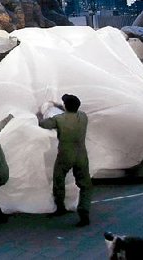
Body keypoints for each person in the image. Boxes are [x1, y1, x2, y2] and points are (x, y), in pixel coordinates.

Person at [37, 93, 92, 227]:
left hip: (65, 155)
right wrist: (61, 106)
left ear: (65, 106)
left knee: (58, 179)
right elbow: (70, 112)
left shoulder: (58, 119)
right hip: (81, 155)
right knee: (85, 184)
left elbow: (43, 124)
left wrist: (38, 115)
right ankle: (84, 212)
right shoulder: (83, 116)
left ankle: (60, 207)